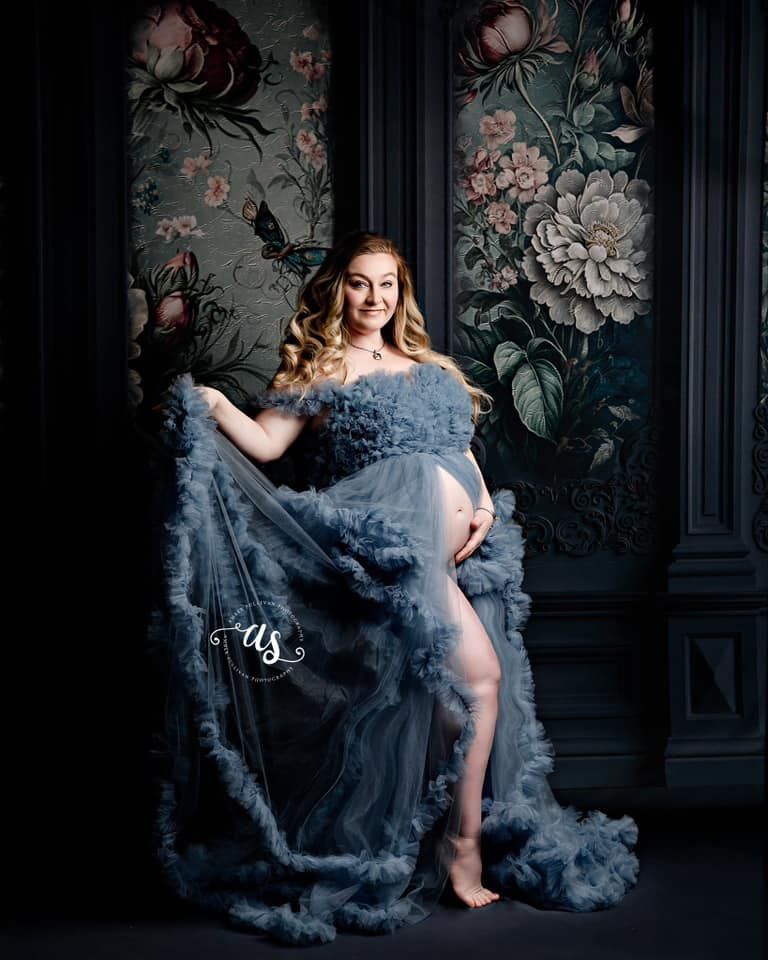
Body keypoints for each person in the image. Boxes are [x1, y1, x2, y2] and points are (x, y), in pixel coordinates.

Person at [149, 230, 639, 946]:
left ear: (400, 292)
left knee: (462, 695)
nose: (372, 298)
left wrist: (482, 504)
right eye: (357, 282)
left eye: (386, 284)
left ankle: (453, 835)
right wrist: (211, 403)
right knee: (478, 683)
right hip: (386, 541)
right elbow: (265, 448)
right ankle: (457, 845)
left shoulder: (431, 368)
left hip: (449, 549)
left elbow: (460, 450)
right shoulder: (320, 368)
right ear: (335, 288)